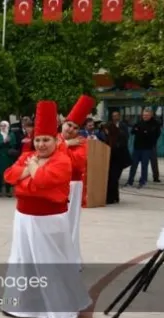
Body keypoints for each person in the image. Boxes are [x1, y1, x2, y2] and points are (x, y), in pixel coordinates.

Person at [1, 100, 92, 318]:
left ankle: (59, 308)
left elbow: (42, 182)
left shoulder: (61, 160)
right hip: (23, 218)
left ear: (55, 141)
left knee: (50, 263)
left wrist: (32, 173)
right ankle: (23, 305)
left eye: (46, 140)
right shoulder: (28, 156)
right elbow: (9, 176)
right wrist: (30, 173)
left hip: (48, 219)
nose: (41, 144)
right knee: (24, 260)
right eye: (38, 140)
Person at [58, 95, 93, 268]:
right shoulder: (52, 138)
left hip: (73, 185)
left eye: (75, 127)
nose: (71, 129)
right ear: (63, 123)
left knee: (70, 223)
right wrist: (66, 144)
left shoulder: (82, 143)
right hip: (54, 185)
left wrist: (63, 146)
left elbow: (75, 164)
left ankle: (71, 260)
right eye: (69, 125)